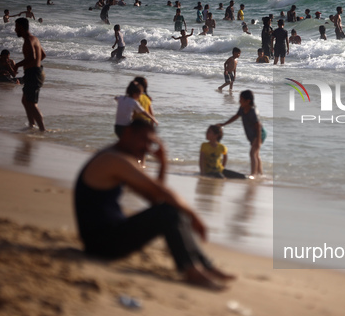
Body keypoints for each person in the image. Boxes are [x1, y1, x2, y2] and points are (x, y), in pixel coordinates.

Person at [74, 119, 234, 290]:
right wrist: (194, 216)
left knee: (170, 210)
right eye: (143, 139)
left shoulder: (119, 157)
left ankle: (205, 265)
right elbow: (162, 194)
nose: (146, 147)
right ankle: (192, 270)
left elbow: (155, 199)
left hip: (107, 238)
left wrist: (163, 163)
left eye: (150, 142)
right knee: (169, 211)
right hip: (102, 244)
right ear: (127, 133)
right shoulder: (114, 159)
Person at [217, 90, 265, 177]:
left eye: (241, 99)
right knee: (256, 154)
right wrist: (224, 124)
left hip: (259, 134)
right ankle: (260, 174)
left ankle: (253, 174)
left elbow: (258, 126)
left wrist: (258, 140)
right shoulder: (242, 108)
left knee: (252, 153)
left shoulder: (253, 111)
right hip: (253, 135)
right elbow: (236, 116)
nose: (239, 101)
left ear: (248, 101)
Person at [13, 18, 46, 131]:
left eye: (16, 27)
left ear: (21, 28)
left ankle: (42, 130)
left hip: (33, 73)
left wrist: (17, 65)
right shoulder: (34, 38)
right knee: (25, 100)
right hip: (35, 72)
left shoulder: (28, 40)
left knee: (31, 103)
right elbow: (43, 55)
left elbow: (32, 57)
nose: (15, 30)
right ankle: (32, 125)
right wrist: (36, 65)